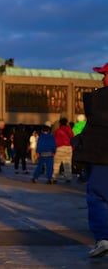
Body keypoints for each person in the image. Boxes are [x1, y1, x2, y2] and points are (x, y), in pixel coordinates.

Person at [73, 62, 108, 257]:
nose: (102, 78)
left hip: (102, 156)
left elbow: (91, 133)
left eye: (104, 74)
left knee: (97, 196)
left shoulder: (97, 100)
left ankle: (103, 238)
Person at [52, 117, 74, 183]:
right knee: (67, 163)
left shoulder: (58, 131)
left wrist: (54, 150)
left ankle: (54, 177)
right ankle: (68, 177)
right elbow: (73, 138)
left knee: (56, 163)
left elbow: (55, 141)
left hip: (60, 148)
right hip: (68, 148)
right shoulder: (70, 130)